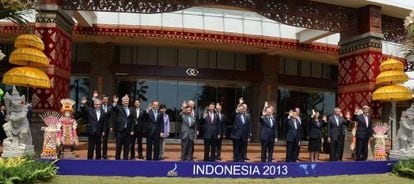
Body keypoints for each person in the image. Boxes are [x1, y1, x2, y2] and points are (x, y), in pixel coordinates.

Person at [112, 95, 134, 160]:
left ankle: (125, 160)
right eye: (124, 100)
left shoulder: (131, 109)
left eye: (127, 101)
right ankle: (117, 160)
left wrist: (132, 130)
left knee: (127, 147)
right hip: (120, 130)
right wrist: (115, 102)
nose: (126, 102)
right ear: (122, 102)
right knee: (118, 146)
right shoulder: (119, 108)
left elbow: (132, 120)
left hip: (128, 131)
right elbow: (114, 107)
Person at [101, 95, 113, 159]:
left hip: (107, 126)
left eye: (107, 99)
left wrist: (111, 126)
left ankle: (104, 154)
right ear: (102, 100)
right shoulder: (99, 106)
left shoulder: (110, 107)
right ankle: (98, 153)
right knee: (98, 141)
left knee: (105, 141)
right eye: (104, 99)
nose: (105, 100)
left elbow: (111, 117)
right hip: (99, 125)